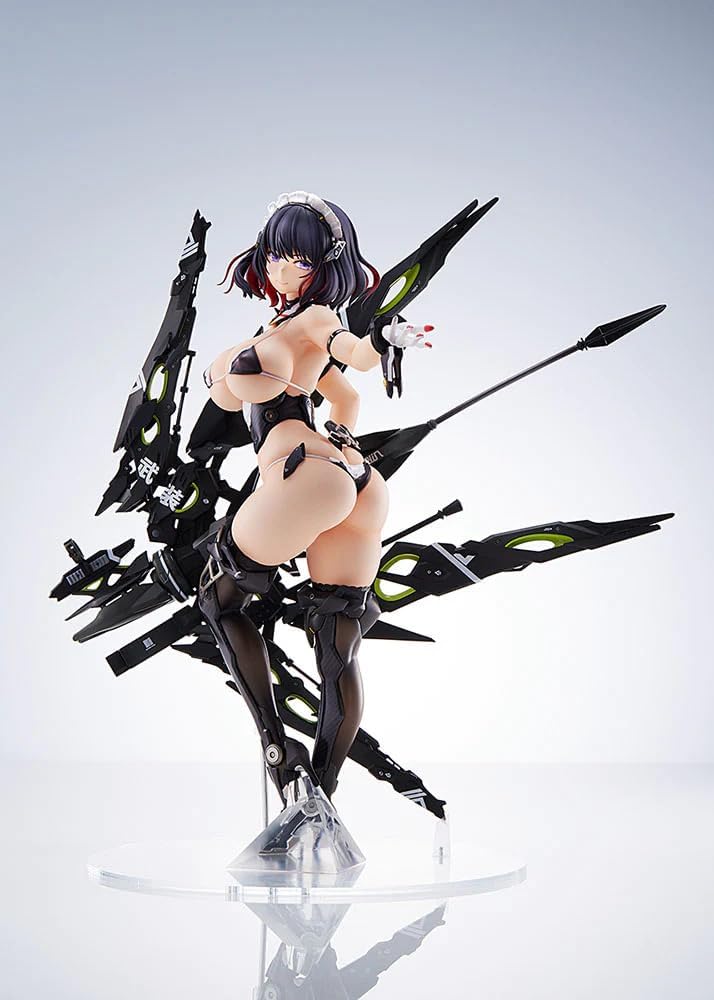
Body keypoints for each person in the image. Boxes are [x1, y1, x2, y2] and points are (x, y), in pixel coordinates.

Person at [197, 191, 432, 803]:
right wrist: (344, 444)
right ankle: (322, 794)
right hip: (353, 480)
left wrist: (382, 339)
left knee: (218, 601)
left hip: (304, 473)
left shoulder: (315, 319)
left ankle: (279, 753)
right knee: (336, 645)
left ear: (327, 265)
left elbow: (352, 351)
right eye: (276, 254)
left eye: (299, 259)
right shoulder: (292, 330)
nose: (282, 269)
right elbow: (346, 396)